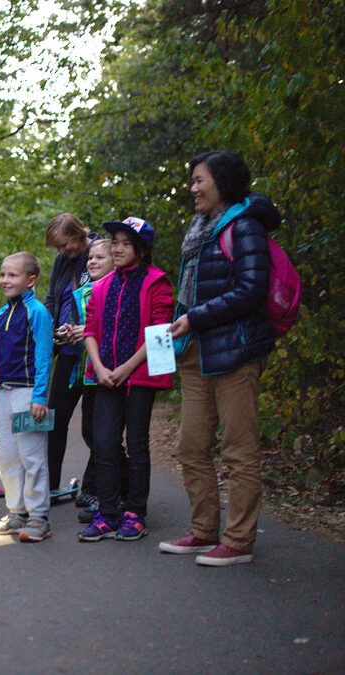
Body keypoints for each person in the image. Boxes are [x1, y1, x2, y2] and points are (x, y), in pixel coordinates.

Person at [162, 151, 277, 566]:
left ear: (221, 182)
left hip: (235, 352)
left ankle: (239, 540)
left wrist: (195, 317)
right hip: (196, 353)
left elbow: (252, 290)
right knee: (191, 446)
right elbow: (192, 292)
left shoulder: (244, 226)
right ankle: (204, 530)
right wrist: (182, 321)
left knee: (238, 449)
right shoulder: (199, 229)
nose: (192, 188)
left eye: (198, 180)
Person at [77, 218, 173, 543]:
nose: (117, 248)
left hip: (139, 378)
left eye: (125, 243)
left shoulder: (156, 282)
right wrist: (101, 367)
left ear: (142, 250)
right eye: (114, 241)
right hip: (105, 377)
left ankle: (136, 513)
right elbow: (90, 329)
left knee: (137, 444)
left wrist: (127, 368)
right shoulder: (102, 286)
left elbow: (160, 331)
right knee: (103, 444)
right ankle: (107, 512)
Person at [0, 252, 54, 542]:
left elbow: (44, 356)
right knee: (8, 456)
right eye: (2, 274)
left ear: (30, 281)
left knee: (32, 456)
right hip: (3, 393)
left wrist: (40, 396)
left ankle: (38, 517)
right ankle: (17, 512)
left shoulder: (37, 312)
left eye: (12, 275)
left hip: (28, 394)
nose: (4, 280)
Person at [59, 238, 127, 523]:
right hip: (89, 373)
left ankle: (115, 493)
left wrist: (85, 331)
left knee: (106, 437)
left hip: (114, 373)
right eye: (91, 258)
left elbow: (117, 326)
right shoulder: (87, 291)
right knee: (92, 433)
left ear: (115, 260)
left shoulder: (120, 288)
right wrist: (70, 332)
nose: (92, 262)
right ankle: (100, 489)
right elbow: (89, 327)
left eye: (100, 257)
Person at [43, 214, 98, 497]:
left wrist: (86, 329)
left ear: (78, 234)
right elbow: (53, 298)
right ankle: (49, 486)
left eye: (65, 245)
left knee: (94, 425)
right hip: (66, 350)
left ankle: (93, 488)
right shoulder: (61, 262)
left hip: (94, 354)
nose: (63, 252)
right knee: (54, 420)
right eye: (58, 248)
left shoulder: (99, 253)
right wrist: (50, 331)